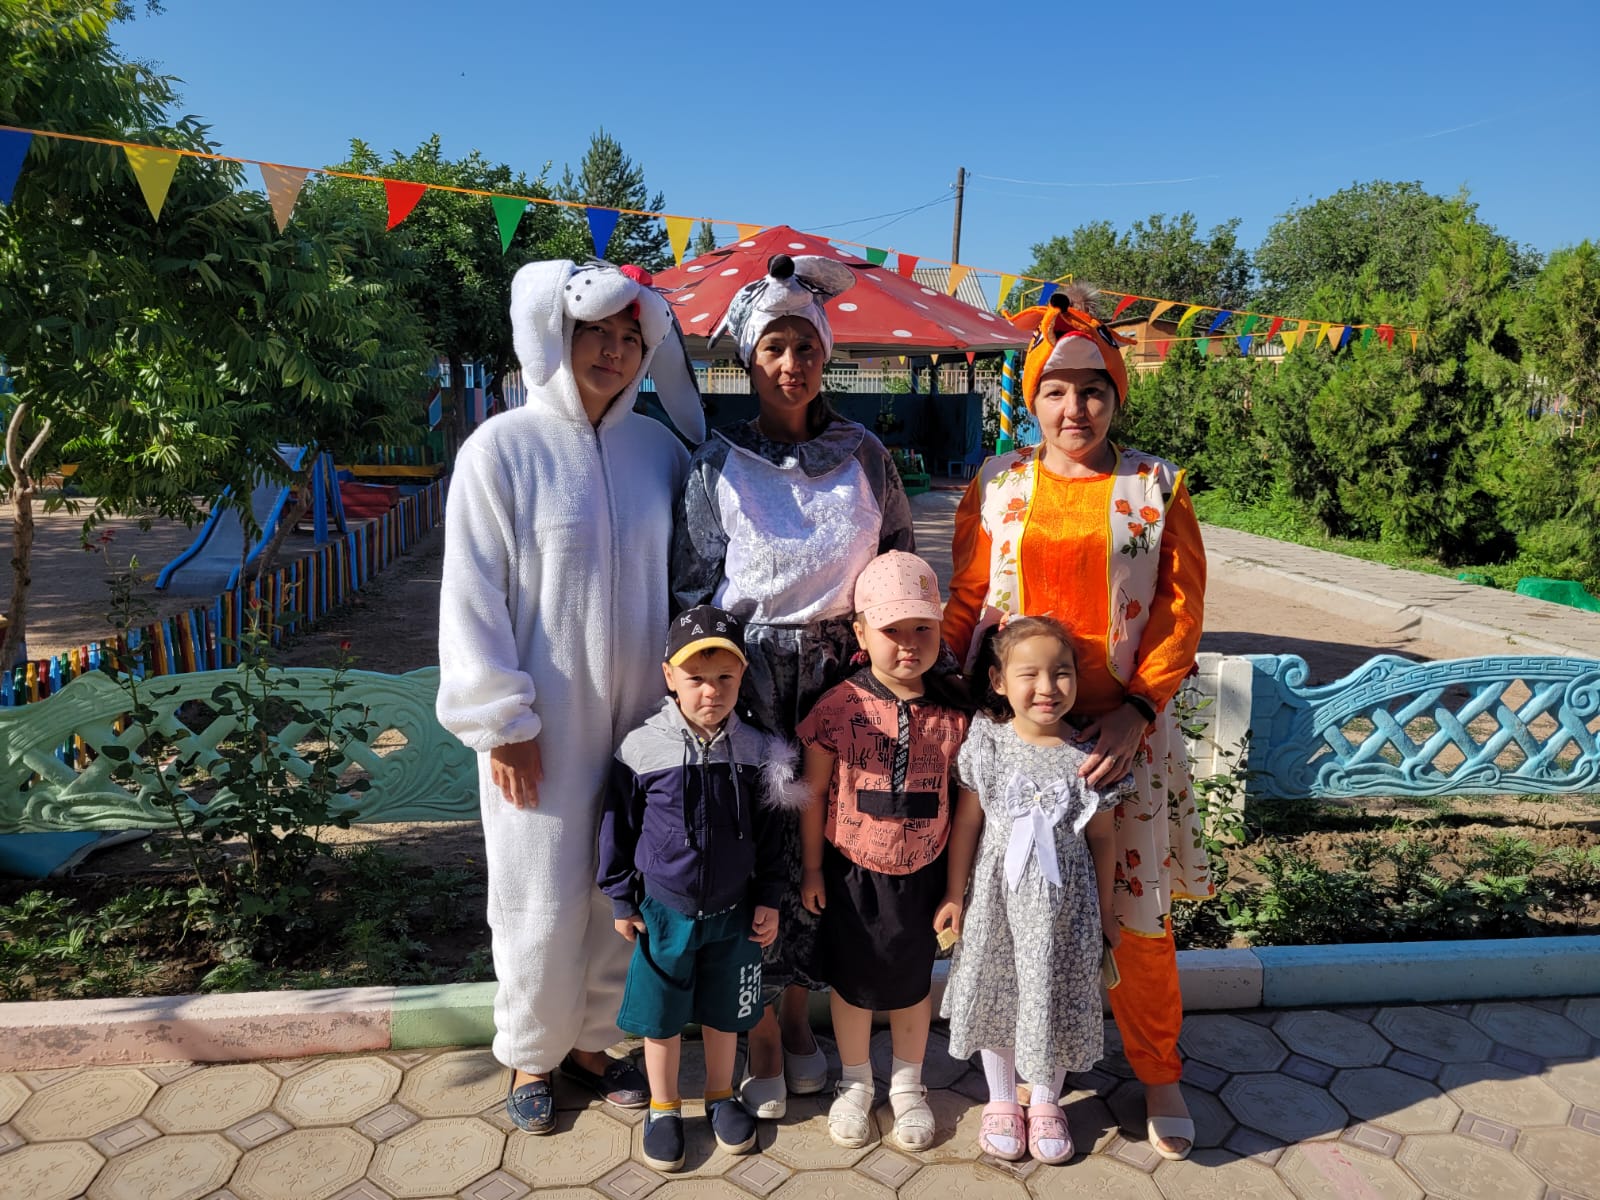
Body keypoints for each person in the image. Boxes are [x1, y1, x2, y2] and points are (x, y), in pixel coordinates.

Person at [436, 259, 705, 1135]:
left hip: (646, 726)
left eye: (630, 337)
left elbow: (692, 583)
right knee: (538, 892)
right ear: (555, 332)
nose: (614, 352)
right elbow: (471, 597)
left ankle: (593, 1043)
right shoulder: (501, 450)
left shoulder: (659, 452)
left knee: (617, 890)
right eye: (597, 332)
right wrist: (500, 720)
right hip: (541, 723)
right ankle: (530, 1050)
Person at [943, 289, 1213, 1160]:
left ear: (1116, 395)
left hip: (1121, 745)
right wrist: (941, 690)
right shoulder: (998, 483)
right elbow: (967, 598)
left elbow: (1179, 611)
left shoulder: (1155, 486)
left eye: (1093, 390)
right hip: (1017, 747)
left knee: (1134, 916)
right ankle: (1025, 1075)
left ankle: (1159, 1071)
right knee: (1014, 911)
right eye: (1055, 390)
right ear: (1031, 397)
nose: (1074, 408)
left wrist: (1138, 709)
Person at [671, 253, 914, 1118]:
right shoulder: (718, 463)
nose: (790, 363)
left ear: (825, 356)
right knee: (758, 854)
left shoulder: (866, 456)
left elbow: (898, 565)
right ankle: (765, 1030)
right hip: (751, 681)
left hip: (847, 681)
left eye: (805, 346)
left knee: (835, 849)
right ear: (748, 358)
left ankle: (807, 1012)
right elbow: (692, 589)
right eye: (773, 346)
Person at [597, 604, 806, 1171]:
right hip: (662, 914)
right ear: (669, 676)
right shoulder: (640, 749)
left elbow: (771, 837)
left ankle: (720, 1096)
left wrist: (769, 899)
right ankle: (663, 1108)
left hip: (735, 914)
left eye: (724, 678)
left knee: (724, 1013)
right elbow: (617, 828)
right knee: (661, 1017)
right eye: (695, 678)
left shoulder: (758, 750)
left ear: (742, 676)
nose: (711, 691)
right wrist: (621, 898)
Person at [796, 551, 969, 1151]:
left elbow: (965, 807)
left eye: (922, 627)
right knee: (852, 985)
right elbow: (813, 793)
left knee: (913, 983)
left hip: (924, 873)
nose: (908, 643)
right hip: (851, 873)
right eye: (892, 629)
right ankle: (854, 1082)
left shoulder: (955, 715)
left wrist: (955, 889)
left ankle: (908, 1086)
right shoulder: (838, 708)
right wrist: (812, 868)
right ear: (861, 632)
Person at [935, 617, 1123, 1165]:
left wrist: (1107, 909)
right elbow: (967, 824)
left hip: (1065, 909)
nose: (1047, 687)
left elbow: (1103, 838)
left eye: (1062, 673)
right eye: (1029, 674)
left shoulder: (1088, 755)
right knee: (997, 989)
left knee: (1054, 992)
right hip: (996, 901)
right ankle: (1000, 1098)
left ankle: (1045, 1100)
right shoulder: (988, 743)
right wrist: (954, 895)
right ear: (998, 681)